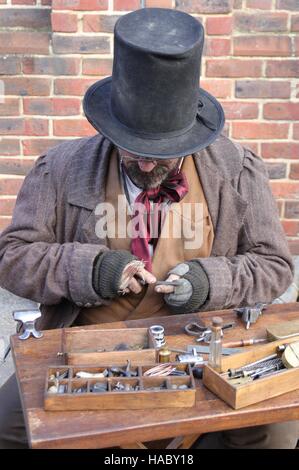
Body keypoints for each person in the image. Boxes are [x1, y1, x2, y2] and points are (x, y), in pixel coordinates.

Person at [0, 8, 297, 449]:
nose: (144, 163)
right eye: (132, 148)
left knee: (275, 430)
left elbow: (274, 267)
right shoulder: (60, 168)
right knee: (8, 422)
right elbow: (13, 258)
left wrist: (207, 282)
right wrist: (93, 269)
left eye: (162, 153)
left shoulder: (236, 171)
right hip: (87, 338)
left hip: (201, 341)